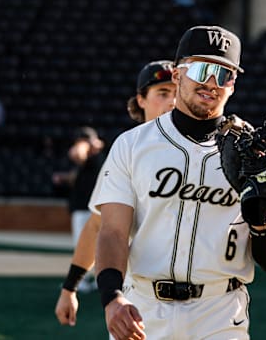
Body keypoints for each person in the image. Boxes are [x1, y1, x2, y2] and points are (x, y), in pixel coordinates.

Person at [92, 25, 266, 340]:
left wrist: (260, 226)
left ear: (234, 85)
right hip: (144, 308)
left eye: (224, 75)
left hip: (221, 312)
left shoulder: (255, 153)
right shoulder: (132, 145)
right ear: (177, 74)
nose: (212, 83)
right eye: (202, 69)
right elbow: (113, 231)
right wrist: (112, 297)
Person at [54, 60, 177, 326]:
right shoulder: (127, 151)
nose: (172, 102)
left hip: (209, 303)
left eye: (178, 93)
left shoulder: (206, 150)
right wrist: (70, 287)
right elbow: (98, 226)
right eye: (163, 93)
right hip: (142, 296)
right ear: (141, 100)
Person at [52, 126, 106, 292]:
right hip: (88, 206)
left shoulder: (96, 156)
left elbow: (77, 153)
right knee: (96, 246)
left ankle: (82, 282)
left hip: (88, 208)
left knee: (85, 246)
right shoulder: (93, 159)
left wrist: (90, 144)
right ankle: (96, 280)